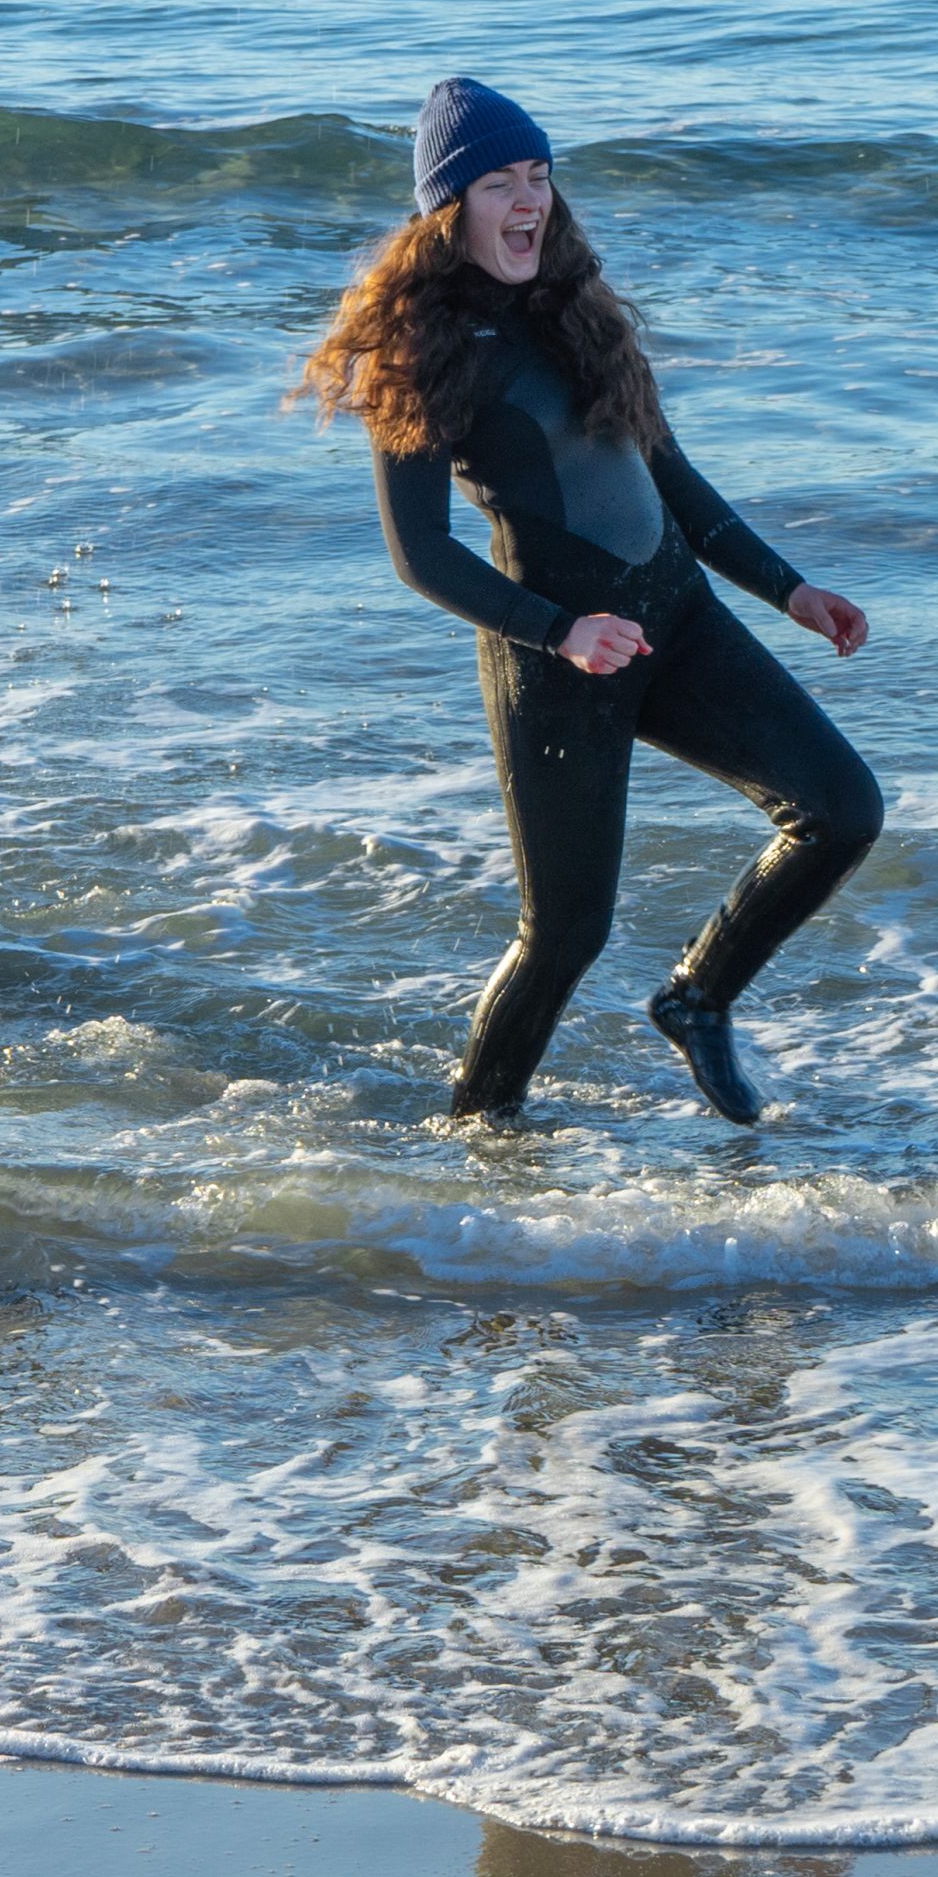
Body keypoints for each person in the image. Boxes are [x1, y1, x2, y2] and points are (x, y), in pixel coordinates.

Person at [299, 78, 882, 1125]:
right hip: (556, 659)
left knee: (840, 808)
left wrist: (789, 587)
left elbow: (672, 478)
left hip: (678, 615)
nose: (530, 201)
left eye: (540, 175)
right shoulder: (419, 347)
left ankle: (698, 997)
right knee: (564, 931)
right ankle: (475, 1132)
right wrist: (559, 631)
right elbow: (419, 553)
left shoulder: (581, 309)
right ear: (448, 204)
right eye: (498, 182)